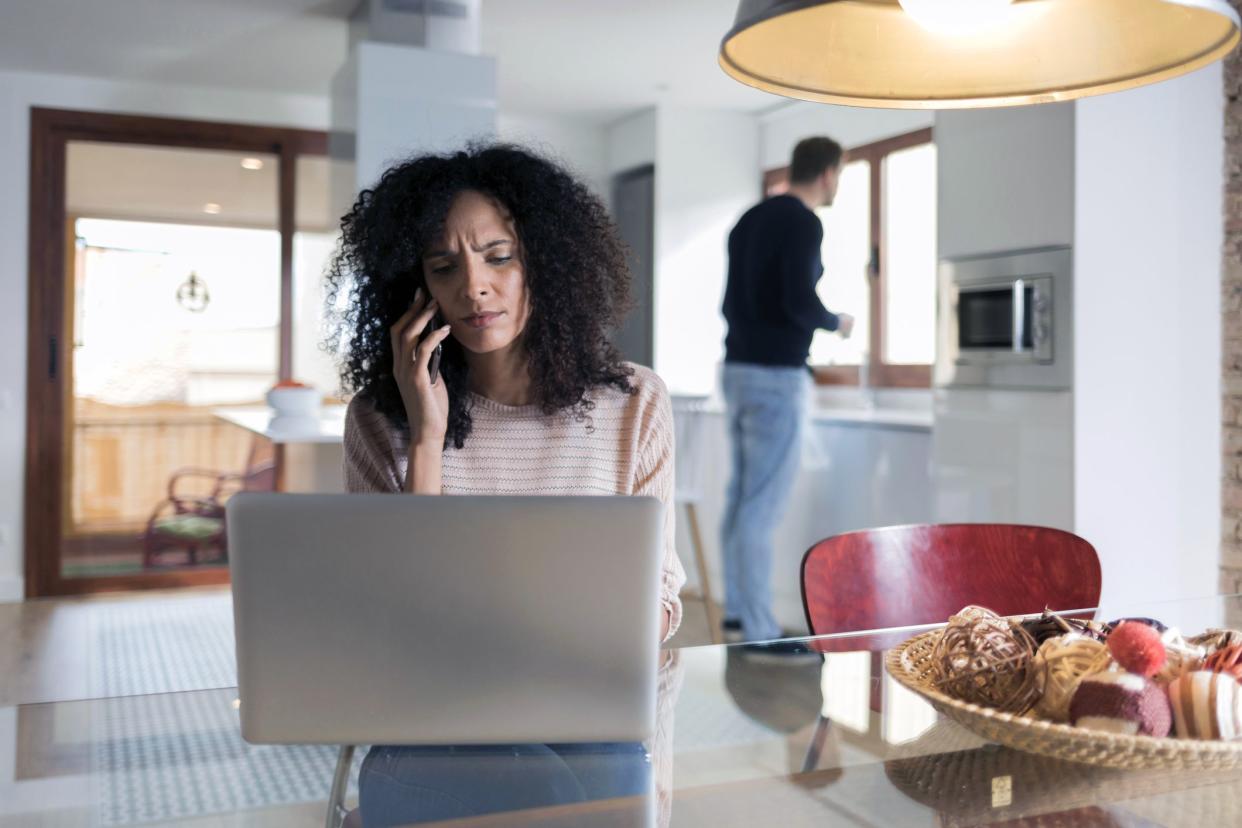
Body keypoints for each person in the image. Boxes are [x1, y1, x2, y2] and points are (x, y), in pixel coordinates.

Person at [326, 143, 686, 825]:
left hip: (582, 700)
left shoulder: (635, 401)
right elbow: (391, 615)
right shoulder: (379, 417)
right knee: (577, 790)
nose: (473, 287)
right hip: (436, 711)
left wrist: (602, 638)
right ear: (417, 285)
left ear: (545, 263)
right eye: (444, 265)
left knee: (597, 768)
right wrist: (427, 439)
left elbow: (661, 595)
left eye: (499, 256)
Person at [719, 136, 854, 650]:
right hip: (776, 376)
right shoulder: (803, 221)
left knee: (740, 499)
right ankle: (759, 631)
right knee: (762, 506)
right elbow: (799, 302)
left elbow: (734, 300)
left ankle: (735, 610)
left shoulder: (750, 218)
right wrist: (835, 322)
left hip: (736, 369)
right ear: (827, 174)